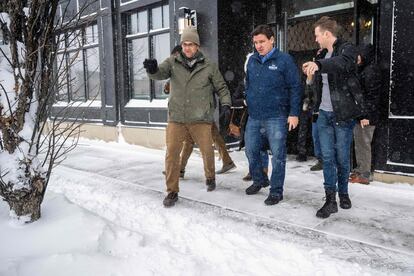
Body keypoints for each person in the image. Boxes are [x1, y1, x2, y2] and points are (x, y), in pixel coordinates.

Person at [143, 27, 232, 207]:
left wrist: (226, 104)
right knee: (172, 155)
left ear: (197, 46)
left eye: (191, 44)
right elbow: (160, 73)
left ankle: (210, 177)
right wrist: (152, 70)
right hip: (177, 117)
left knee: (207, 151)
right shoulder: (173, 62)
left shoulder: (209, 65)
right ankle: (172, 191)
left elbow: (221, 87)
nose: (187, 48)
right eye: (185, 44)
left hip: (201, 118)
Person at [303, 16, 366, 218]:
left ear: (327, 34)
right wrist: (310, 77)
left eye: (317, 35)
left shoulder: (346, 50)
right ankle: (330, 200)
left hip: (342, 115)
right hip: (324, 114)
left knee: (342, 158)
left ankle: (344, 193)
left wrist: (320, 65)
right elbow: (316, 87)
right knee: (327, 158)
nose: (316, 40)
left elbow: (343, 64)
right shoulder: (321, 54)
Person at [244, 24, 302, 205]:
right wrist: (248, 97)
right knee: (251, 150)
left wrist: (294, 113)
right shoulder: (252, 60)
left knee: (278, 155)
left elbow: (295, 87)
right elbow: (248, 83)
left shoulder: (284, 60)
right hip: (254, 115)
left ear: (272, 40)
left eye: (262, 42)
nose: (258, 46)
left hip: (276, 116)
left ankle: (276, 191)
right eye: (255, 43)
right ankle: (260, 180)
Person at [162, 45, 236, 177]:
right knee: (213, 135)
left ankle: (180, 169)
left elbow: (215, 85)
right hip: (195, 110)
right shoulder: (177, 68)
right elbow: (169, 87)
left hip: (200, 111)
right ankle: (227, 160)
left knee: (190, 140)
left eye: (175, 57)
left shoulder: (201, 65)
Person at [349, 44, 381, 185]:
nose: (357, 58)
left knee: (363, 144)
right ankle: (360, 170)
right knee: (360, 143)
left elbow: (371, 96)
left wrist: (365, 116)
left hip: (366, 116)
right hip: (363, 114)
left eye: (359, 55)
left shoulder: (370, 72)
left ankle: (364, 174)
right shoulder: (365, 70)